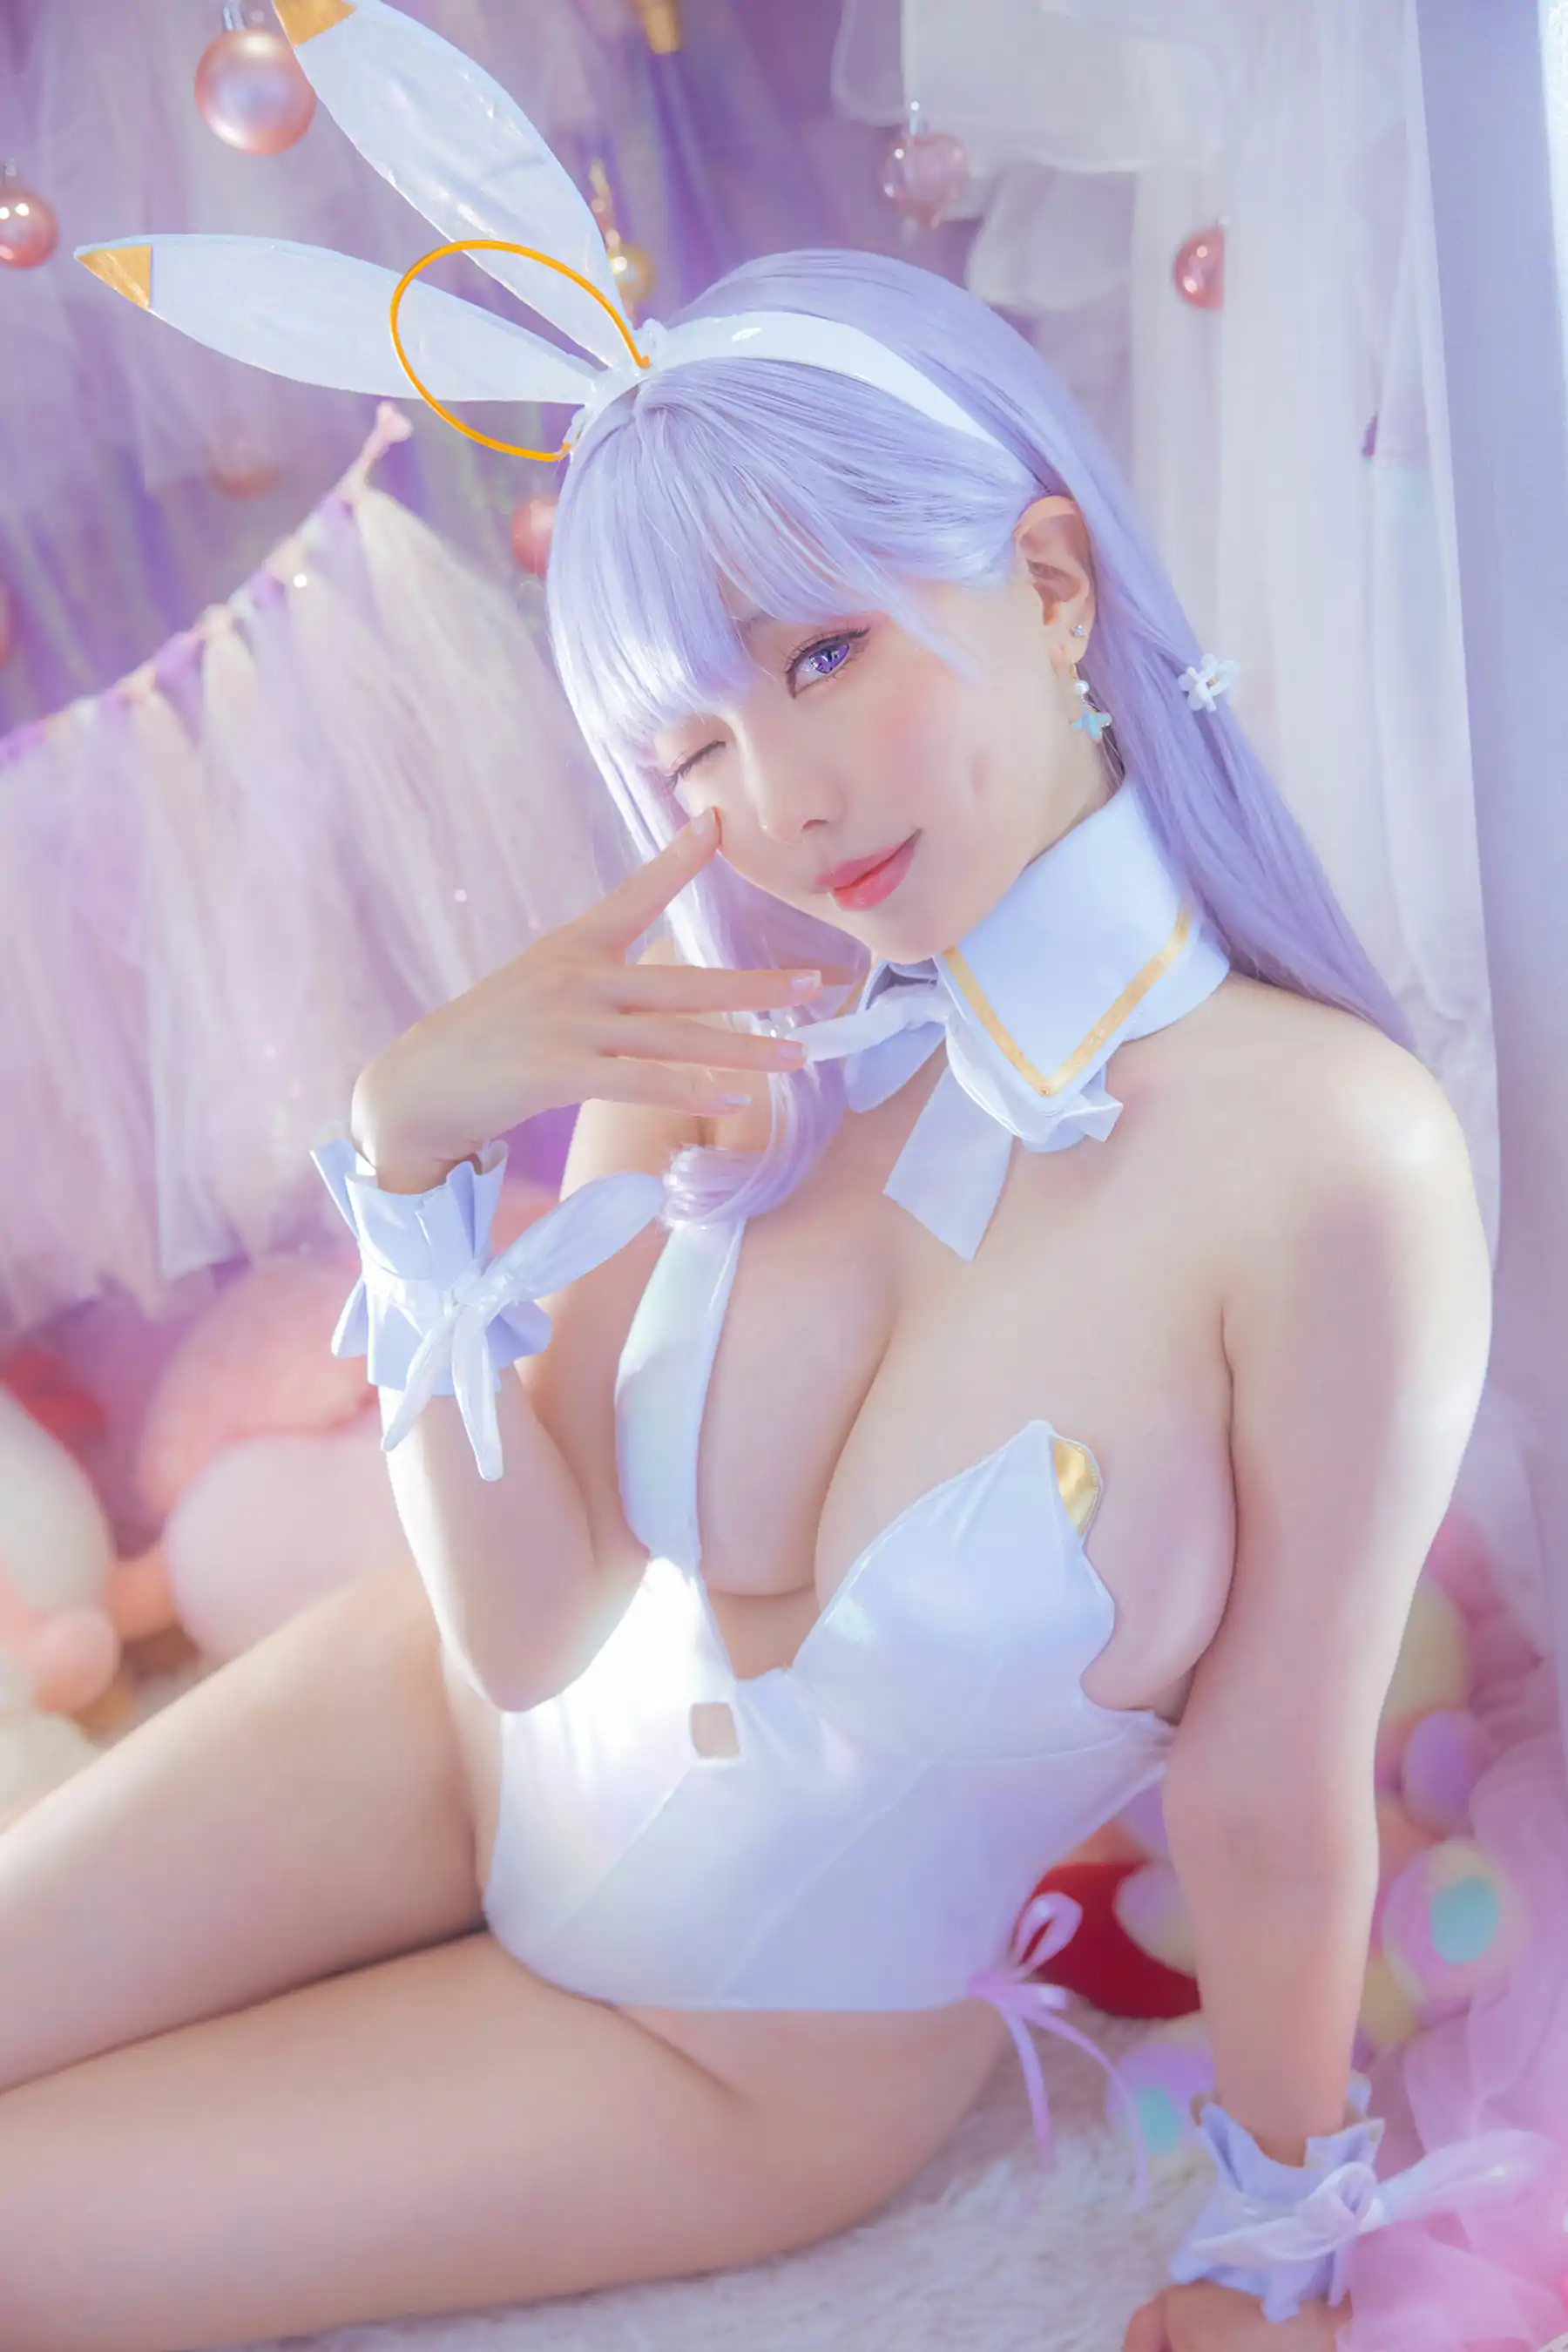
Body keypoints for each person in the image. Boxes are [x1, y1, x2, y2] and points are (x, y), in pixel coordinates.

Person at [14, 6, 1549, 2347]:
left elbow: (1269, 1785)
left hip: (729, 2053)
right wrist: (408, 1171)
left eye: (828, 653)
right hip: (433, 1727)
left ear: (1052, 581)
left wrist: (1277, 2226)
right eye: (693, 746)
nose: (784, 803)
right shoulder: (724, 1021)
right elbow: (524, 1625)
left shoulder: (1328, 1158)